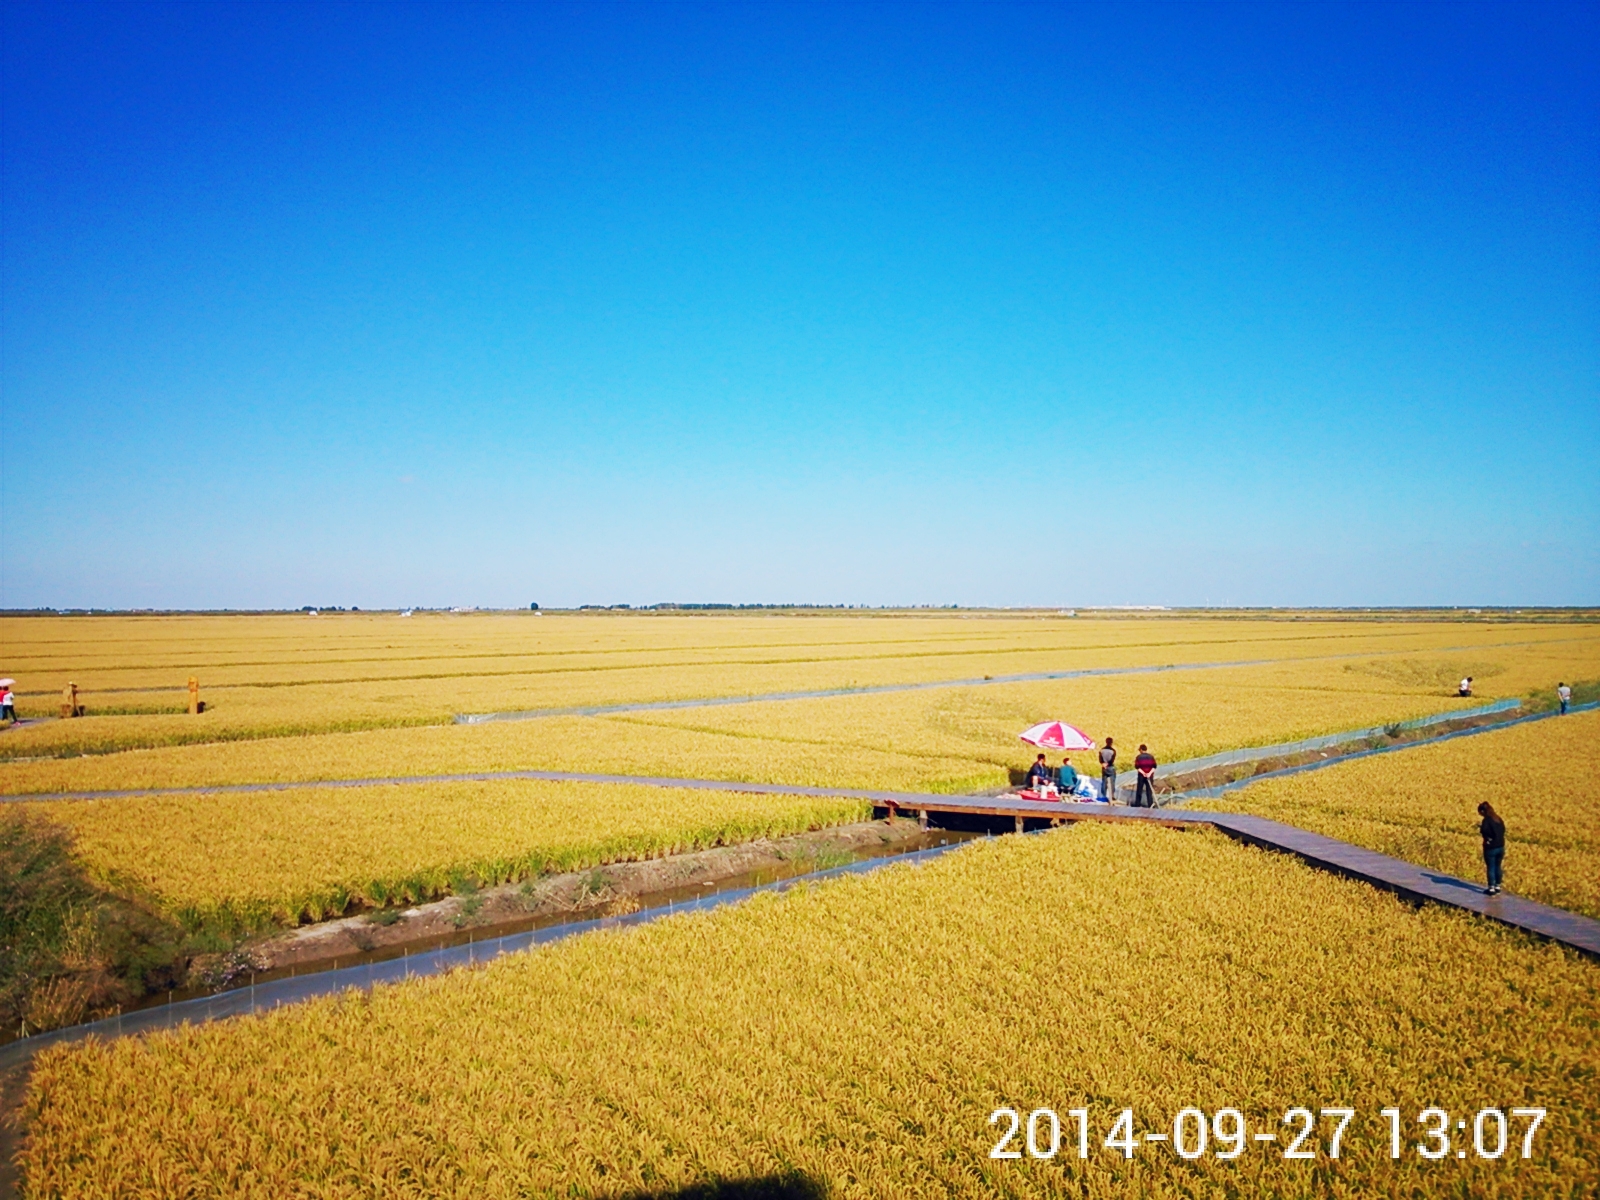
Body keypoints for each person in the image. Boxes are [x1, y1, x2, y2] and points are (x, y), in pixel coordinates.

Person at [1478, 801, 1505, 896]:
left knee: (1491, 867)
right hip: (1501, 846)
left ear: (1483, 811)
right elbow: (1502, 830)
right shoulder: (1498, 819)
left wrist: (1482, 831)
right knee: (1498, 866)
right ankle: (1498, 886)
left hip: (1491, 847)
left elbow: (1484, 831)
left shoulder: (1487, 820)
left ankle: (1491, 888)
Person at [1098, 737, 1117, 803]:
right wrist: (1108, 764)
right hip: (1110, 767)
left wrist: (1103, 764)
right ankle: (1112, 795)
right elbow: (1112, 760)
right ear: (1111, 742)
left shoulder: (1101, 750)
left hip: (1104, 767)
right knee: (1112, 781)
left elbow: (1100, 759)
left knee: (1104, 781)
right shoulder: (1113, 751)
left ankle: (1103, 795)